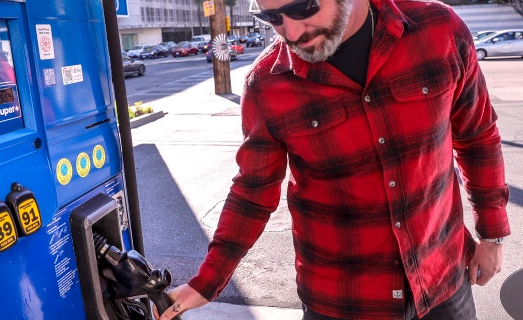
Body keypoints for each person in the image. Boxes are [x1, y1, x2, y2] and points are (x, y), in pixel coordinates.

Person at [157, 0, 511, 318]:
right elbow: (252, 192)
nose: (291, 32)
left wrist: (492, 235)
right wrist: (207, 282)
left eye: (303, 8)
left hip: (442, 280)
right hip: (341, 301)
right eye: (271, 17)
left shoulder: (439, 30)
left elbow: (477, 136)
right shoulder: (267, 84)